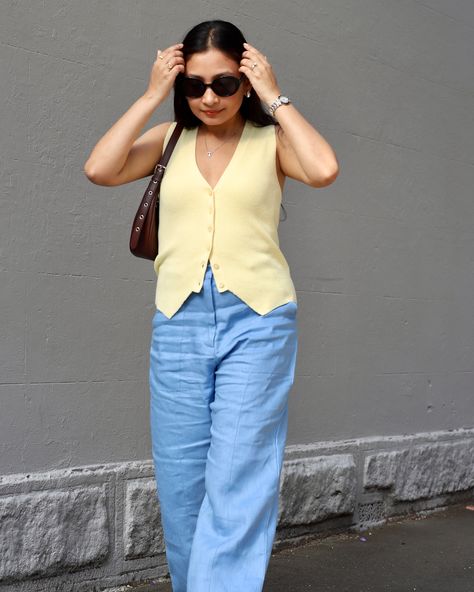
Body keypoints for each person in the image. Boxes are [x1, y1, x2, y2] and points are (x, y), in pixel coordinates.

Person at [84, 19, 339, 592]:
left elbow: (323, 168)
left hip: (259, 320)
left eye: (224, 84)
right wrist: (152, 93)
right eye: (195, 85)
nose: (209, 98)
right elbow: (99, 168)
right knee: (181, 483)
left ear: (245, 82)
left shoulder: (271, 142)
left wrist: (275, 93)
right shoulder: (168, 138)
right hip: (178, 320)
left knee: (239, 473)